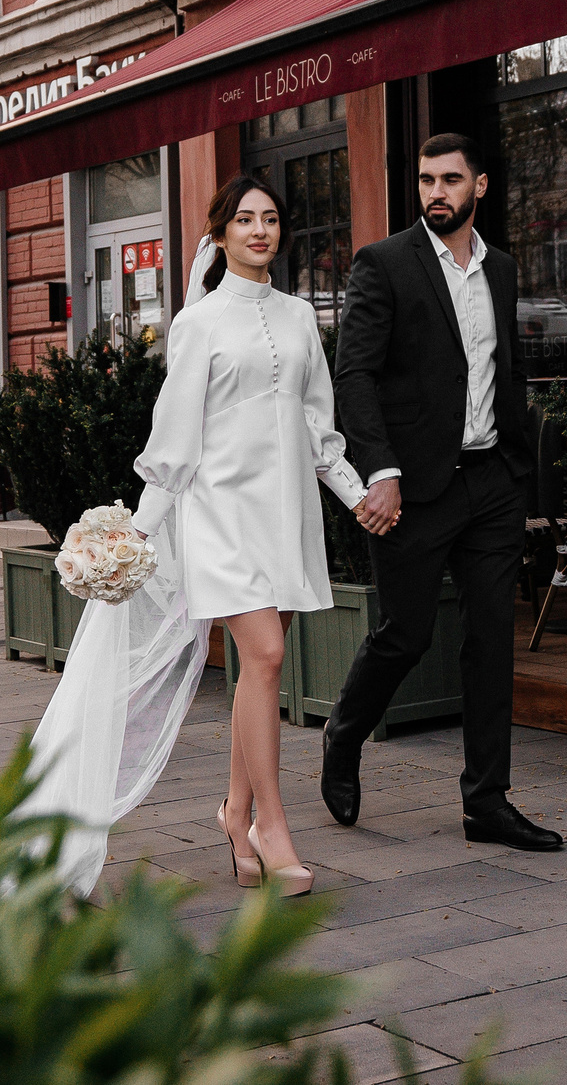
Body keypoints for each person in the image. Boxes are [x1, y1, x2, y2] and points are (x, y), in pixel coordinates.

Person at [22, 175, 366, 898]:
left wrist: (357, 495)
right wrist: (134, 535)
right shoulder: (199, 321)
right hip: (219, 516)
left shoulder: (302, 316)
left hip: (284, 514)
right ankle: (272, 827)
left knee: (258, 668)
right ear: (221, 232)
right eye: (245, 219)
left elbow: (317, 426)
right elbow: (174, 440)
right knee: (267, 653)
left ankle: (234, 814)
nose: (260, 230)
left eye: (271, 218)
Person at [323, 133, 564, 853]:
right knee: (407, 632)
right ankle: (344, 731)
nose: (436, 190)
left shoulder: (504, 270)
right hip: (415, 486)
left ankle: (486, 801)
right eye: (426, 177)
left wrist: (521, 468)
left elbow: (501, 370)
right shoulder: (385, 263)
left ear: (479, 186)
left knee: (492, 639)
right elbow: (354, 375)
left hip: (491, 481)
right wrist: (381, 470)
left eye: (450, 179)